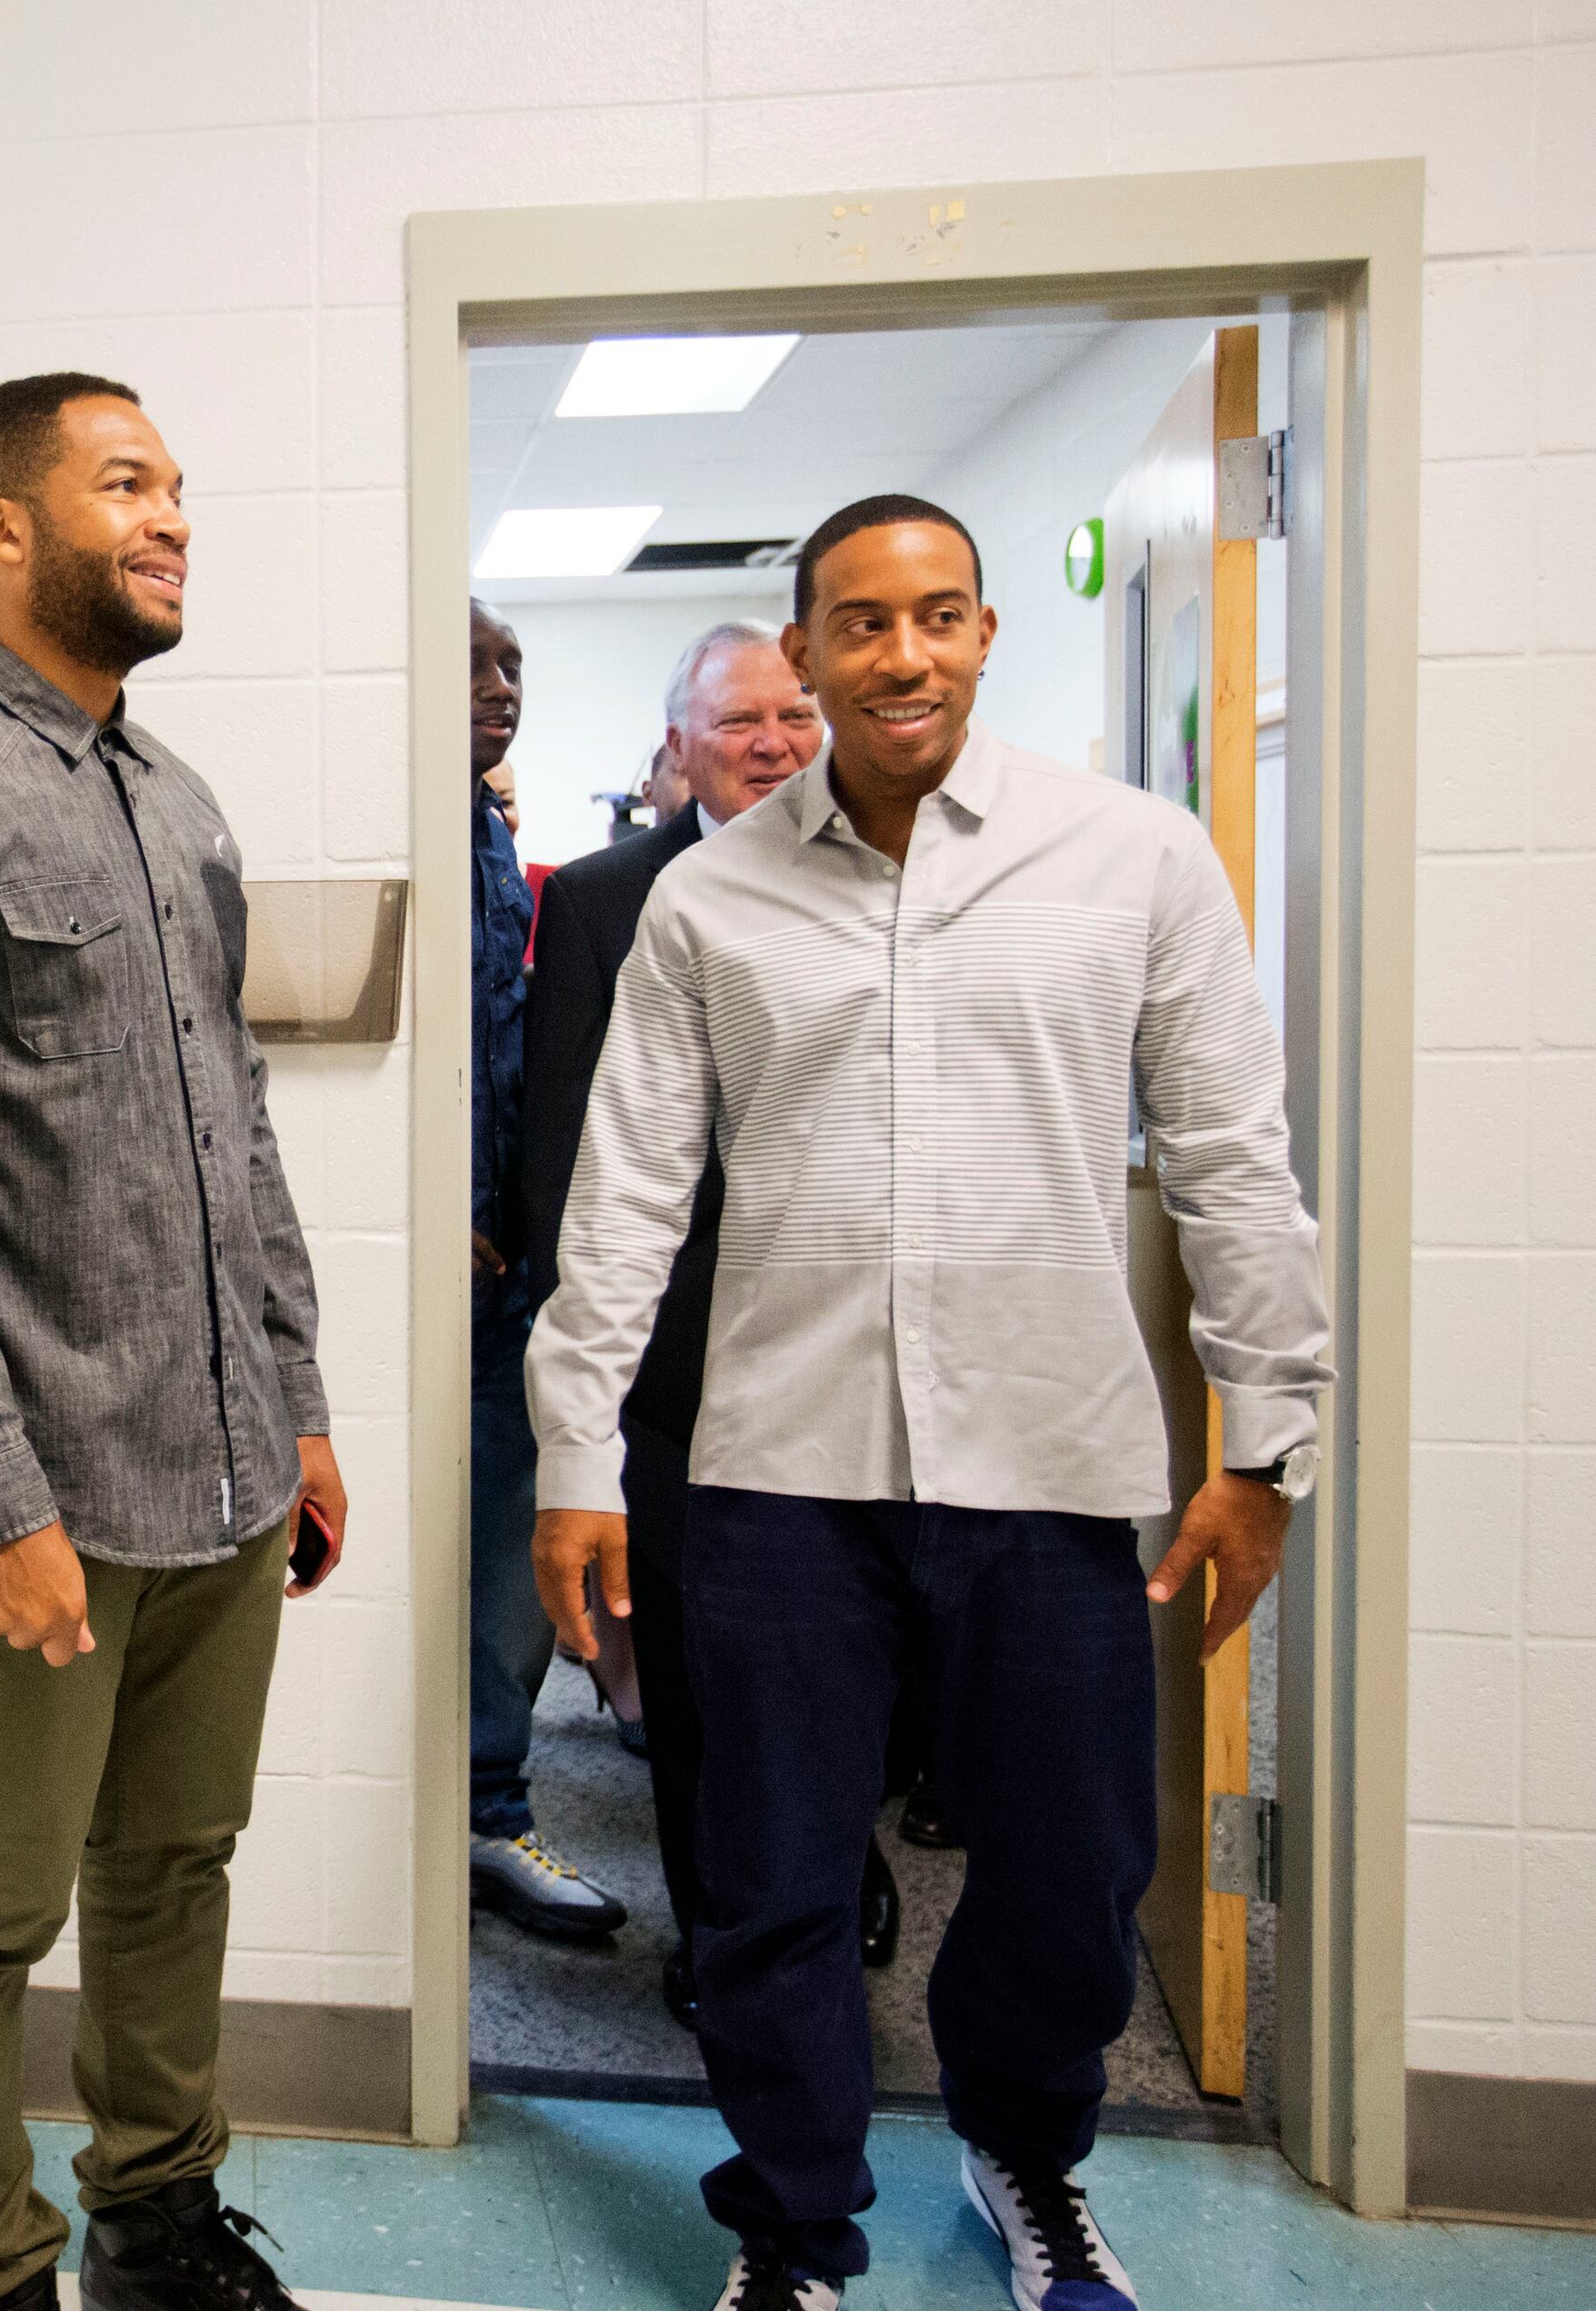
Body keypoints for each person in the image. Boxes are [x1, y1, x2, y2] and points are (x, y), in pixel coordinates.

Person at [525, 495, 1331, 2311]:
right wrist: (578, 1456)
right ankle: (796, 2226)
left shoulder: (1132, 858)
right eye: (862, 624)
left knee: (1072, 1872)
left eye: (941, 617)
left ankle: (1025, 2158)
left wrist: (1267, 1442)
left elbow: (1230, 1159)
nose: (905, 654)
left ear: (984, 637)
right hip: (772, 1482)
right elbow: (628, 1191)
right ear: (801, 655)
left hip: (1047, 1475)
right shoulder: (712, 904)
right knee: (771, 1885)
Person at [0, 372, 346, 2311]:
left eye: (180, 483)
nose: (175, 514)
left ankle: (158, 2223)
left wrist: (304, 1409)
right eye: (128, 485)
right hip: (27, 1492)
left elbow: (236, 1130)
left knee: (177, 1868)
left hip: (222, 1463)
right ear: (4, 532)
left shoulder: (175, 801)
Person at [520, 619, 887, 2036]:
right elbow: (569, 1154)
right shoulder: (612, 901)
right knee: (695, 1679)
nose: (776, 743)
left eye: (795, 717)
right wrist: (598, 1395)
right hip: (675, 1371)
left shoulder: (875, 881)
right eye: (739, 722)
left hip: (850, 1355)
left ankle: (836, 1870)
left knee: (848, 1657)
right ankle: (718, 1935)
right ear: (677, 749)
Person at [467, 602, 625, 1942]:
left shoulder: (492, 841)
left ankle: (486, 1804)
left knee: (511, 1553)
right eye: (474, 666)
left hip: (521, 1263)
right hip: (449, 1267)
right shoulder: (424, 826)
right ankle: (474, 1812)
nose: (499, 689)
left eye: (513, 667)